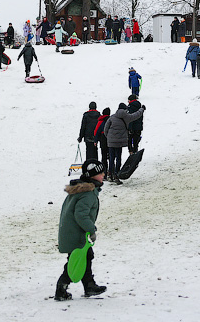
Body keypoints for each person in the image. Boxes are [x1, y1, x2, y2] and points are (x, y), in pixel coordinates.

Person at [54, 159, 108, 301]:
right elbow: (81, 215)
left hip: (72, 232)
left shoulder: (82, 190)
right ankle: (61, 288)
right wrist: (91, 229)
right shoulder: (88, 193)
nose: (103, 174)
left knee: (86, 256)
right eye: (100, 173)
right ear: (92, 176)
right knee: (76, 261)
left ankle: (89, 285)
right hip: (75, 234)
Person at [103, 103, 145, 184]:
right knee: (118, 158)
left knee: (111, 158)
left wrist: (109, 137)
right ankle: (116, 175)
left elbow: (106, 129)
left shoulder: (112, 117)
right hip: (119, 142)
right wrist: (142, 109)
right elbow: (136, 115)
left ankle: (110, 175)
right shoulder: (127, 117)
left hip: (111, 142)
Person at [94, 108, 111, 179]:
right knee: (111, 157)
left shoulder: (101, 121)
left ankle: (104, 174)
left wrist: (96, 140)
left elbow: (97, 131)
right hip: (111, 140)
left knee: (104, 158)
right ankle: (112, 172)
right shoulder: (111, 120)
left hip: (103, 140)